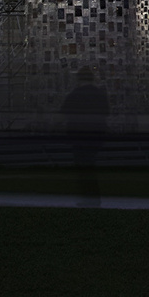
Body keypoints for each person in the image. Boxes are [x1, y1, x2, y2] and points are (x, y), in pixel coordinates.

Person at [60, 68, 110, 207]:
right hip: (96, 134)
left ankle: (89, 197)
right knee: (89, 165)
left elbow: (64, 113)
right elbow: (106, 112)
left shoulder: (75, 94)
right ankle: (93, 197)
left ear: (79, 79)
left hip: (79, 135)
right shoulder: (99, 94)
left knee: (83, 167)